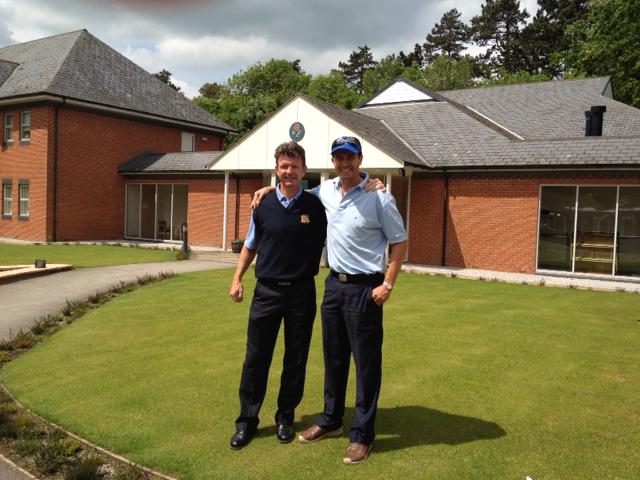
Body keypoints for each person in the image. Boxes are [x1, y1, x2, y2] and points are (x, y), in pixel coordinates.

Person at [254, 136, 408, 464]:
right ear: (333, 161)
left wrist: (388, 284)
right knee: (334, 358)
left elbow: (399, 242)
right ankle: (331, 418)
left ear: (360, 159)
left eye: (350, 157)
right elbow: (291, 190)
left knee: (366, 364)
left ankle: (362, 434)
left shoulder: (379, 197)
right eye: (339, 157)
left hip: (365, 288)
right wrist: (268, 189)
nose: (345, 163)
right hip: (333, 286)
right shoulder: (324, 191)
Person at [228, 141, 327, 449]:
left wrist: (373, 183)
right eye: (284, 166)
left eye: (295, 166)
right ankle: (247, 421)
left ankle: (285, 417)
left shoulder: (317, 204)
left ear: (304, 170)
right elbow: (250, 245)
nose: (289, 171)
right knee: (256, 358)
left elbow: (346, 187)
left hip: (301, 293)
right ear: (276, 169)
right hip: (266, 292)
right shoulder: (262, 204)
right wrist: (237, 278)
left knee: (295, 359)